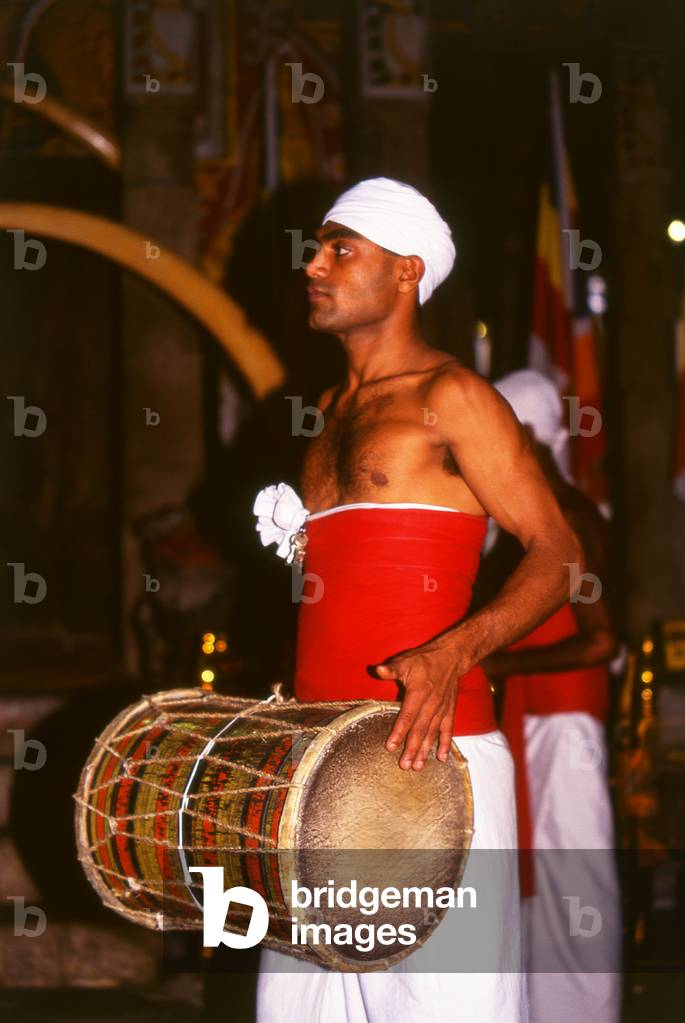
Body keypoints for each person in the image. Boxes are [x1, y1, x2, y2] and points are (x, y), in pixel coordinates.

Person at [253, 178, 582, 1023]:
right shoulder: (327, 411)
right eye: (316, 247)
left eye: (339, 249)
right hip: (319, 764)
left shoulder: (453, 397)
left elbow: (557, 554)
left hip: (429, 759)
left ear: (405, 271)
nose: (313, 265)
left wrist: (452, 651)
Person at [480, 369, 622, 1023]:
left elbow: (599, 642)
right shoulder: (529, 521)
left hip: (563, 730)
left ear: (528, 435)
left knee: (574, 892)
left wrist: (494, 658)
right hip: (528, 724)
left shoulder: (569, 520)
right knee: (533, 900)